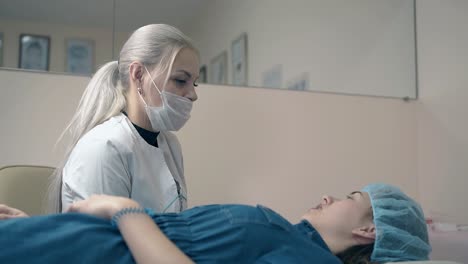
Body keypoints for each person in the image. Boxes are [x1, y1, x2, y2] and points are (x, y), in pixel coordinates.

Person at [0, 183, 430, 263]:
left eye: (348, 199)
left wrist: (121, 209)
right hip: (69, 241)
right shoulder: (289, 237)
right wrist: (46, 227)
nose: (327, 197)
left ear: (369, 231)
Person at [47, 24, 200, 213]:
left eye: (194, 83)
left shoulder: (169, 144)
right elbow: (105, 240)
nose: (193, 95)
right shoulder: (104, 146)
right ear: (138, 74)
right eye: (180, 80)